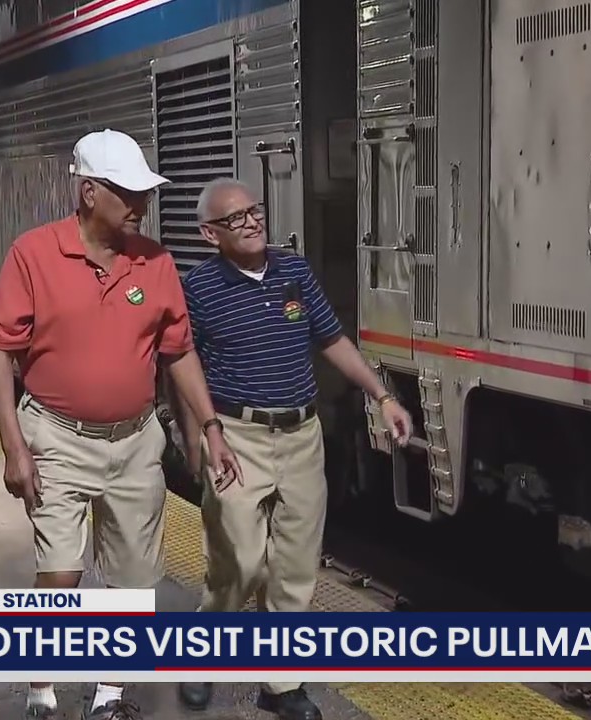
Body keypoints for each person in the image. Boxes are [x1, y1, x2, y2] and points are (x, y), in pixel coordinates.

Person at [0, 130, 242, 720]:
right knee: (61, 572)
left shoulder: (155, 261)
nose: (140, 205)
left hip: (135, 441)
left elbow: (179, 351)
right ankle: (42, 693)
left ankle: (108, 695)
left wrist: (210, 427)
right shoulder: (34, 252)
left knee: (130, 579)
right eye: (127, 193)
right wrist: (13, 447)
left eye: (143, 193)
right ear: (88, 191)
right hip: (54, 435)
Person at [172, 178, 412, 720]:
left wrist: (382, 396)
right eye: (236, 218)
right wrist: (196, 436)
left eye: (255, 211)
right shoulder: (199, 289)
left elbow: (332, 341)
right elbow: (182, 368)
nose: (253, 221)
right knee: (239, 561)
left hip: (301, 437)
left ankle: (281, 685)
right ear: (211, 234)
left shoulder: (294, 272)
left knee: (295, 568)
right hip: (237, 438)